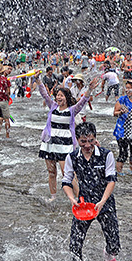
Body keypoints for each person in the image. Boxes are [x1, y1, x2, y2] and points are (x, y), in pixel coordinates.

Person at [62, 122, 119, 261]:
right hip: (83, 204)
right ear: (77, 140)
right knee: (75, 242)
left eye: (91, 140)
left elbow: (111, 180)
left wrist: (103, 201)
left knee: (114, 243)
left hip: (104, 202)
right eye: (83, 142)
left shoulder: (107, 155)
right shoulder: (72, 157)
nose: (88, 145)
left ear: (95, 138)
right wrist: (72, 199)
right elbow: (66, 182)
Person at [35, 73, 100, 201]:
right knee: (51, 172)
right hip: (49, 143)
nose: (59, 98)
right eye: (57, 95)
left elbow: (83, 101)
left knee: (68, 173)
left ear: (66, 97)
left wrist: (90, 89)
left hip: (65, 145)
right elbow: (44, 93)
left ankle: (79, 199)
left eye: (61, 95)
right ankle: (53, 196)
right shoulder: (52, 106)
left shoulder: (72, 110)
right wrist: (37, 80)